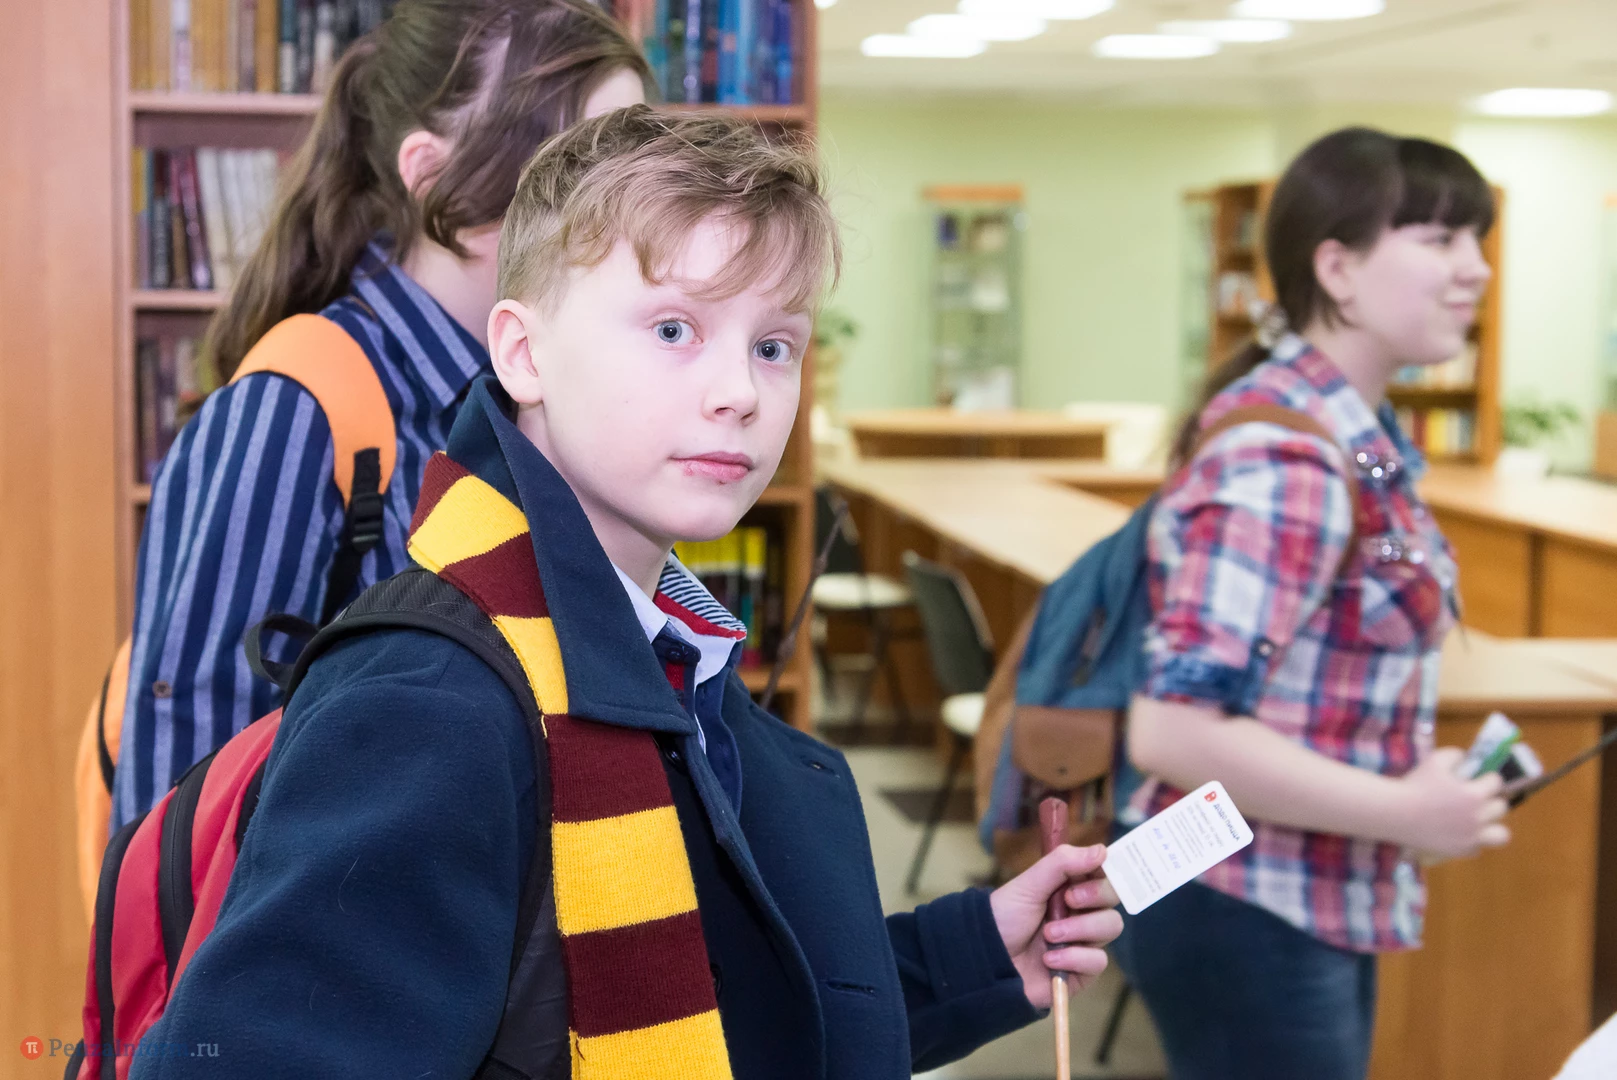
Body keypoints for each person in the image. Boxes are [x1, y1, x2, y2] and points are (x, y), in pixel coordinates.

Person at [130, 106, 1125, 1079]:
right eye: (674, 328)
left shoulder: (664, 648)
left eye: (773, 345)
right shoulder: (429, 707)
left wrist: (972, 956)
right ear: (522, 354)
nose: (740, 392)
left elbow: (720, 997)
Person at [109, 0, 648, 835]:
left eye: (633, 157)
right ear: (431, 175)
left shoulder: (550, 396)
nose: (631, 208)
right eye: (579, 166)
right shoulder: (295, 409)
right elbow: (181, 808)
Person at [1109, 126, 1511, 1080]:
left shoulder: (1352, 430)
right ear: (1336, 268)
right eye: (1439, 239)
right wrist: (1406, 811)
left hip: (1293, 895)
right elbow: (1173, 731)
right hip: (1247, 901)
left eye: (1477, 240)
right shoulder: (1284, 454)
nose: (1476, 269)